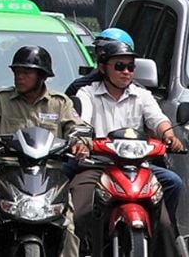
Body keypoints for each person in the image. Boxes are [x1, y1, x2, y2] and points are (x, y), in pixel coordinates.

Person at [0, 46, 86, 257]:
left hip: (50, 178)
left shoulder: (60, 103)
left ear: (42, 76)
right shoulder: (0, 100)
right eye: (16, 72)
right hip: (8, 174)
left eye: (26, 73)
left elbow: (76, 127)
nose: (19, 77)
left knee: (68, 229)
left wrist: (80, 142)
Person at [71, 40, 184, 257]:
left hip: (138, 169)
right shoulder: (87, 93)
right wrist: (81, 141)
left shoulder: (141, 95)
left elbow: (158, 119)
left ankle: (168, 243)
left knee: (172, 189)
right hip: (97, 167)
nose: (126, 72)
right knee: (77, 214)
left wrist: (169, 135)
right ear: (103, 67)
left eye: (131, 67)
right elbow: (81, 122)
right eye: (119, 66)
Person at [64, 27, 134, 96]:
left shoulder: (139, 94)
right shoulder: (79, 88)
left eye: (119, 65)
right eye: (99, 51)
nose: (125, 72)